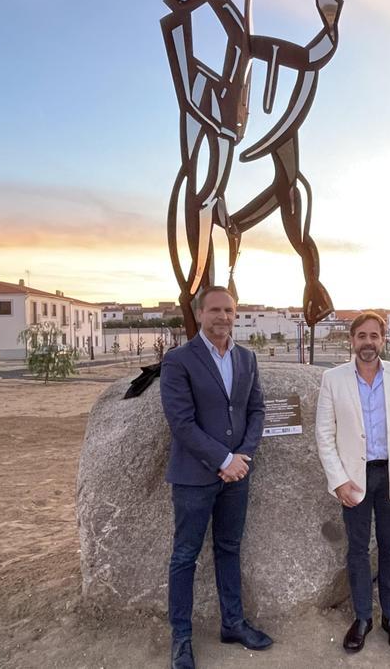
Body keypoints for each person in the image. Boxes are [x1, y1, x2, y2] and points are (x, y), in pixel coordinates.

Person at [159, 285, 270, 669]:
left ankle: (233, 624)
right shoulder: (178, 360)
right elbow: (181, 423)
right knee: (184, 557)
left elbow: (256, 410)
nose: (224, 317)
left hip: (236, 475)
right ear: (200, 313)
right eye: (216, 310)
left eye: (229, 311)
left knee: (229, 549)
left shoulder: (246, 358)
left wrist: (244, 456)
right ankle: (182, 638)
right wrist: (223, 458)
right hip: (194, 477)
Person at [315, 312, 390, 653]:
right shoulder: (333, 379)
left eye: (374, 336)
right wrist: (338, 481)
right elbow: (324, 434)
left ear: (383, 338)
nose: (368, 342)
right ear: (352, 339)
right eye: (361, 336)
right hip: (355, 481)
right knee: (358, 550)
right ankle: (362, 617)